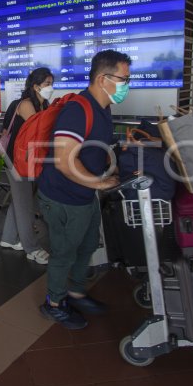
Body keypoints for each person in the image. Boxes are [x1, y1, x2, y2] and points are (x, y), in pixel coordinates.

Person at [36, 50, 127, 330]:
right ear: (103, 78)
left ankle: (75, 293)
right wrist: (99, 183)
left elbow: (96, 148)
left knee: (86, 246)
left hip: (84, 194)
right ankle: (54, 304)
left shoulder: (104, 108)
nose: (127, 85)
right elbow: (65, 161)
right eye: (124, 79)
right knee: (64, 253)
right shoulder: (78, 109)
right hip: (63, 196)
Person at [0, 67, 54, 264]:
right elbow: (41, 131)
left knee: (20, 200)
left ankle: (8, 238)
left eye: (51, 83)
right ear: (36, 86)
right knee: (24, 204)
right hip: (16, 160)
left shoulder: (43, 105)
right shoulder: (26, 105)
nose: (50, 87)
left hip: (26, 159)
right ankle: (32, 248)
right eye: (47, 84)